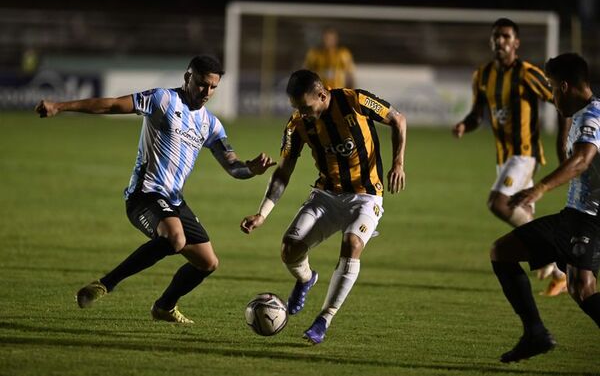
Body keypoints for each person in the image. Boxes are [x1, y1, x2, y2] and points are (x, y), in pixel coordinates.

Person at [35, 55, 276, 323]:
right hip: (144, 195)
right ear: (188, 77)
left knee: (208, 263)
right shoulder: (162, 100)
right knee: (176, 239)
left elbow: (233, 167)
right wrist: (60, 106)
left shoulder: (211, 124)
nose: (207, 92)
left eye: (213, 87)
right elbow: (113, 104)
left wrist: (252, 169)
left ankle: (164, 307)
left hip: (174, 201)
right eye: (201, 84)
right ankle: (105, 284)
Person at [240, 69, 407, 344]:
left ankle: (324, 318)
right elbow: (284, 171)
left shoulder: (354, 101)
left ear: (322, 94)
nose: (302, 113)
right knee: (289, 250)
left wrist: (398, 163)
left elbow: (398, 120)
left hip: (366, 196)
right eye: (297, 108)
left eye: (306, 107)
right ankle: (306, 279)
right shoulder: (297, 125)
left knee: (352, 244)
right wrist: (263, 213)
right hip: (326, 196)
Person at [490, 52, 600, 363]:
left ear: (565, 86)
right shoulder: (583, 114)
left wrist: (539, 188)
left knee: (583, 289)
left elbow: (581, 161)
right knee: (579, 287)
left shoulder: (593, 117)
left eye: (551, 88)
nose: (551, 97)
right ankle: (535, 334)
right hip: (576, 217)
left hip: (590, 220)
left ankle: (535, 333)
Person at [452, 18, 569, 296]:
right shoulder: (482, 75)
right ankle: (559, 272)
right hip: (503, 157)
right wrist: (464, 125)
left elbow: (561, 102)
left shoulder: (527, 73)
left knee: (498, 203)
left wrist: (562, 144)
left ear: (516, 43)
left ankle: (551, 251)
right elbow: (476, 114)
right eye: (496, 36)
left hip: (524, 153)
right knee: (519, 207)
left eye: (505, 36)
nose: (500, 41)